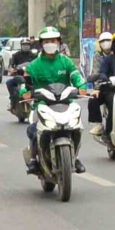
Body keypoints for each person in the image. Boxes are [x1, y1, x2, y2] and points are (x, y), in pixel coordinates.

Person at [20, 26, 87, 174]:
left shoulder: (66, 62)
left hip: (65, 103)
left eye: (53, 40)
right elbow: (25, 85)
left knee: (76, 127)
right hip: (42, 105)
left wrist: (81, 87)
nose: (50, 43)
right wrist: (25, 92)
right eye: (47, 41)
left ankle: (74, 157)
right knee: (34, 130)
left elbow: (76, 77)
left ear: (58, 42)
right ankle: (33, 159)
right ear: (41, 44)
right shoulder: (33, 66)